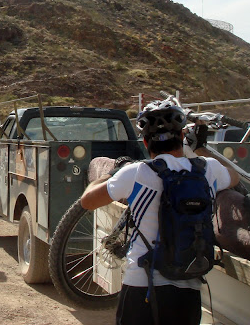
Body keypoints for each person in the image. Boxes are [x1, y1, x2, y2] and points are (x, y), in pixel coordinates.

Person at [80, 99, 240, 325]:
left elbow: (87, 201)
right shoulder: (208, 170)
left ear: (146, 142)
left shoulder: (136, 173)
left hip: (142, 286)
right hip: (189, 287)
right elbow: (234, 176)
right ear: (182, 137)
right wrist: (199, 149)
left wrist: (114, 173)